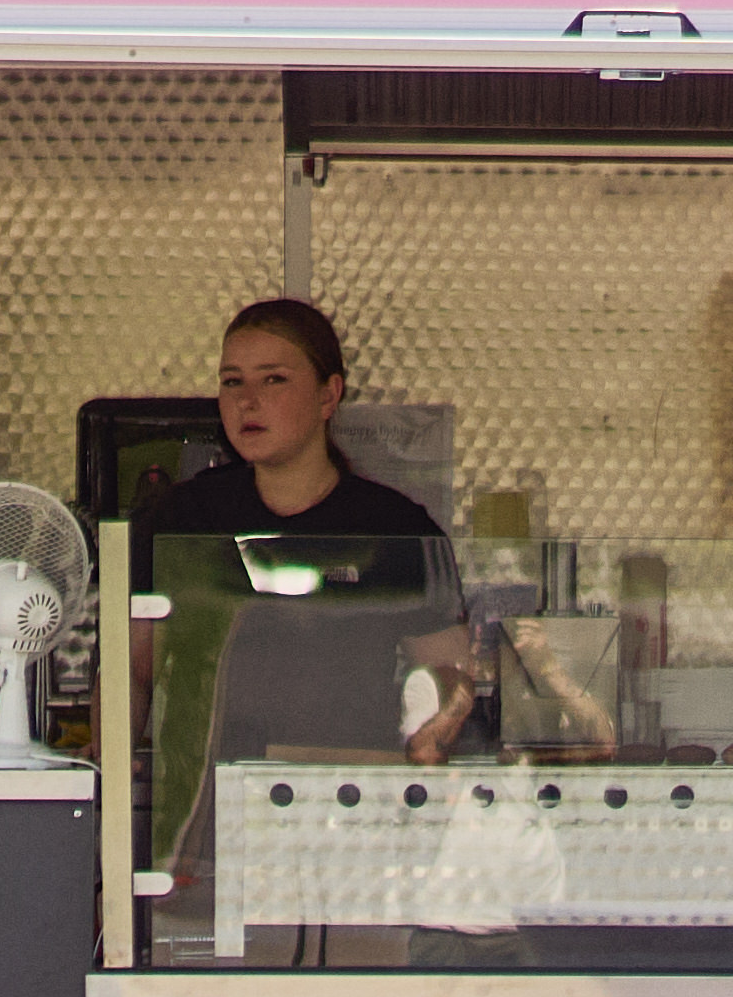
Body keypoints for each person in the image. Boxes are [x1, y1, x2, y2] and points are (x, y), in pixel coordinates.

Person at [136, 297, 482, 756]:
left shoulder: (395, 528)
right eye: (232, 381)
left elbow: (452, 675)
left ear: (328, 395)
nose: (247, 401)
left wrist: (430, 736)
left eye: (274, 379)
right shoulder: (183, 517)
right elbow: (132, 672)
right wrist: (114, 770)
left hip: (345, 787)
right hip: (208, 788)